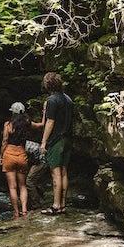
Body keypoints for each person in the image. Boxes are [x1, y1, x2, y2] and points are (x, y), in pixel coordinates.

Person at [39, 72, 73, 215]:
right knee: (64, 172)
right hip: (68, 138)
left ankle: (56, 205)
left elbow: (50, 122)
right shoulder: (68, 99)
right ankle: (63, 205)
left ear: (48, 85)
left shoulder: (52, 100)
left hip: (57, 140)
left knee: (56, 173)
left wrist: (44, 142)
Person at [0, 102, 30, 219]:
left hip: (9, 155)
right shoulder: (27, 124)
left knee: (12, 187)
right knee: (23, 186)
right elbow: (41, 125)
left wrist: (1, 156)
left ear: (13, 112)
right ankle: (25, 210)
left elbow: (4, 141)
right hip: (21, 154)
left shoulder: (8, 124)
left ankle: (16, 212)